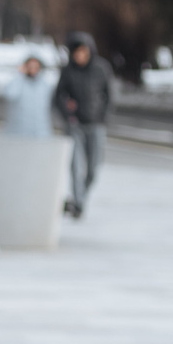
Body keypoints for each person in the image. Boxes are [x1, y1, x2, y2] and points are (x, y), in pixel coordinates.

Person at [56, 32, 114, 218]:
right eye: (76, 52)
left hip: (96, 125)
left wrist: (104, 117)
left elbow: (109, 95)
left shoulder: (101, 68)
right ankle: (79, 205)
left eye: (83, 51)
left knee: (93, 168)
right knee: (75, 166)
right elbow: (58, 96)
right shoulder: (68, 71)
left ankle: (79, 198)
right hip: (76, 125)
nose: (80, 55)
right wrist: (67, 113)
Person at [2, 53, 55, 138]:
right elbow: (10, 95)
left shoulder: (44, 86)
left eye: (35, 67)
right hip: (19, 133)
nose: (33, 69)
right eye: (30, 66)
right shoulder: (18, 82)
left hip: (40, 134)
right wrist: (19, 75)